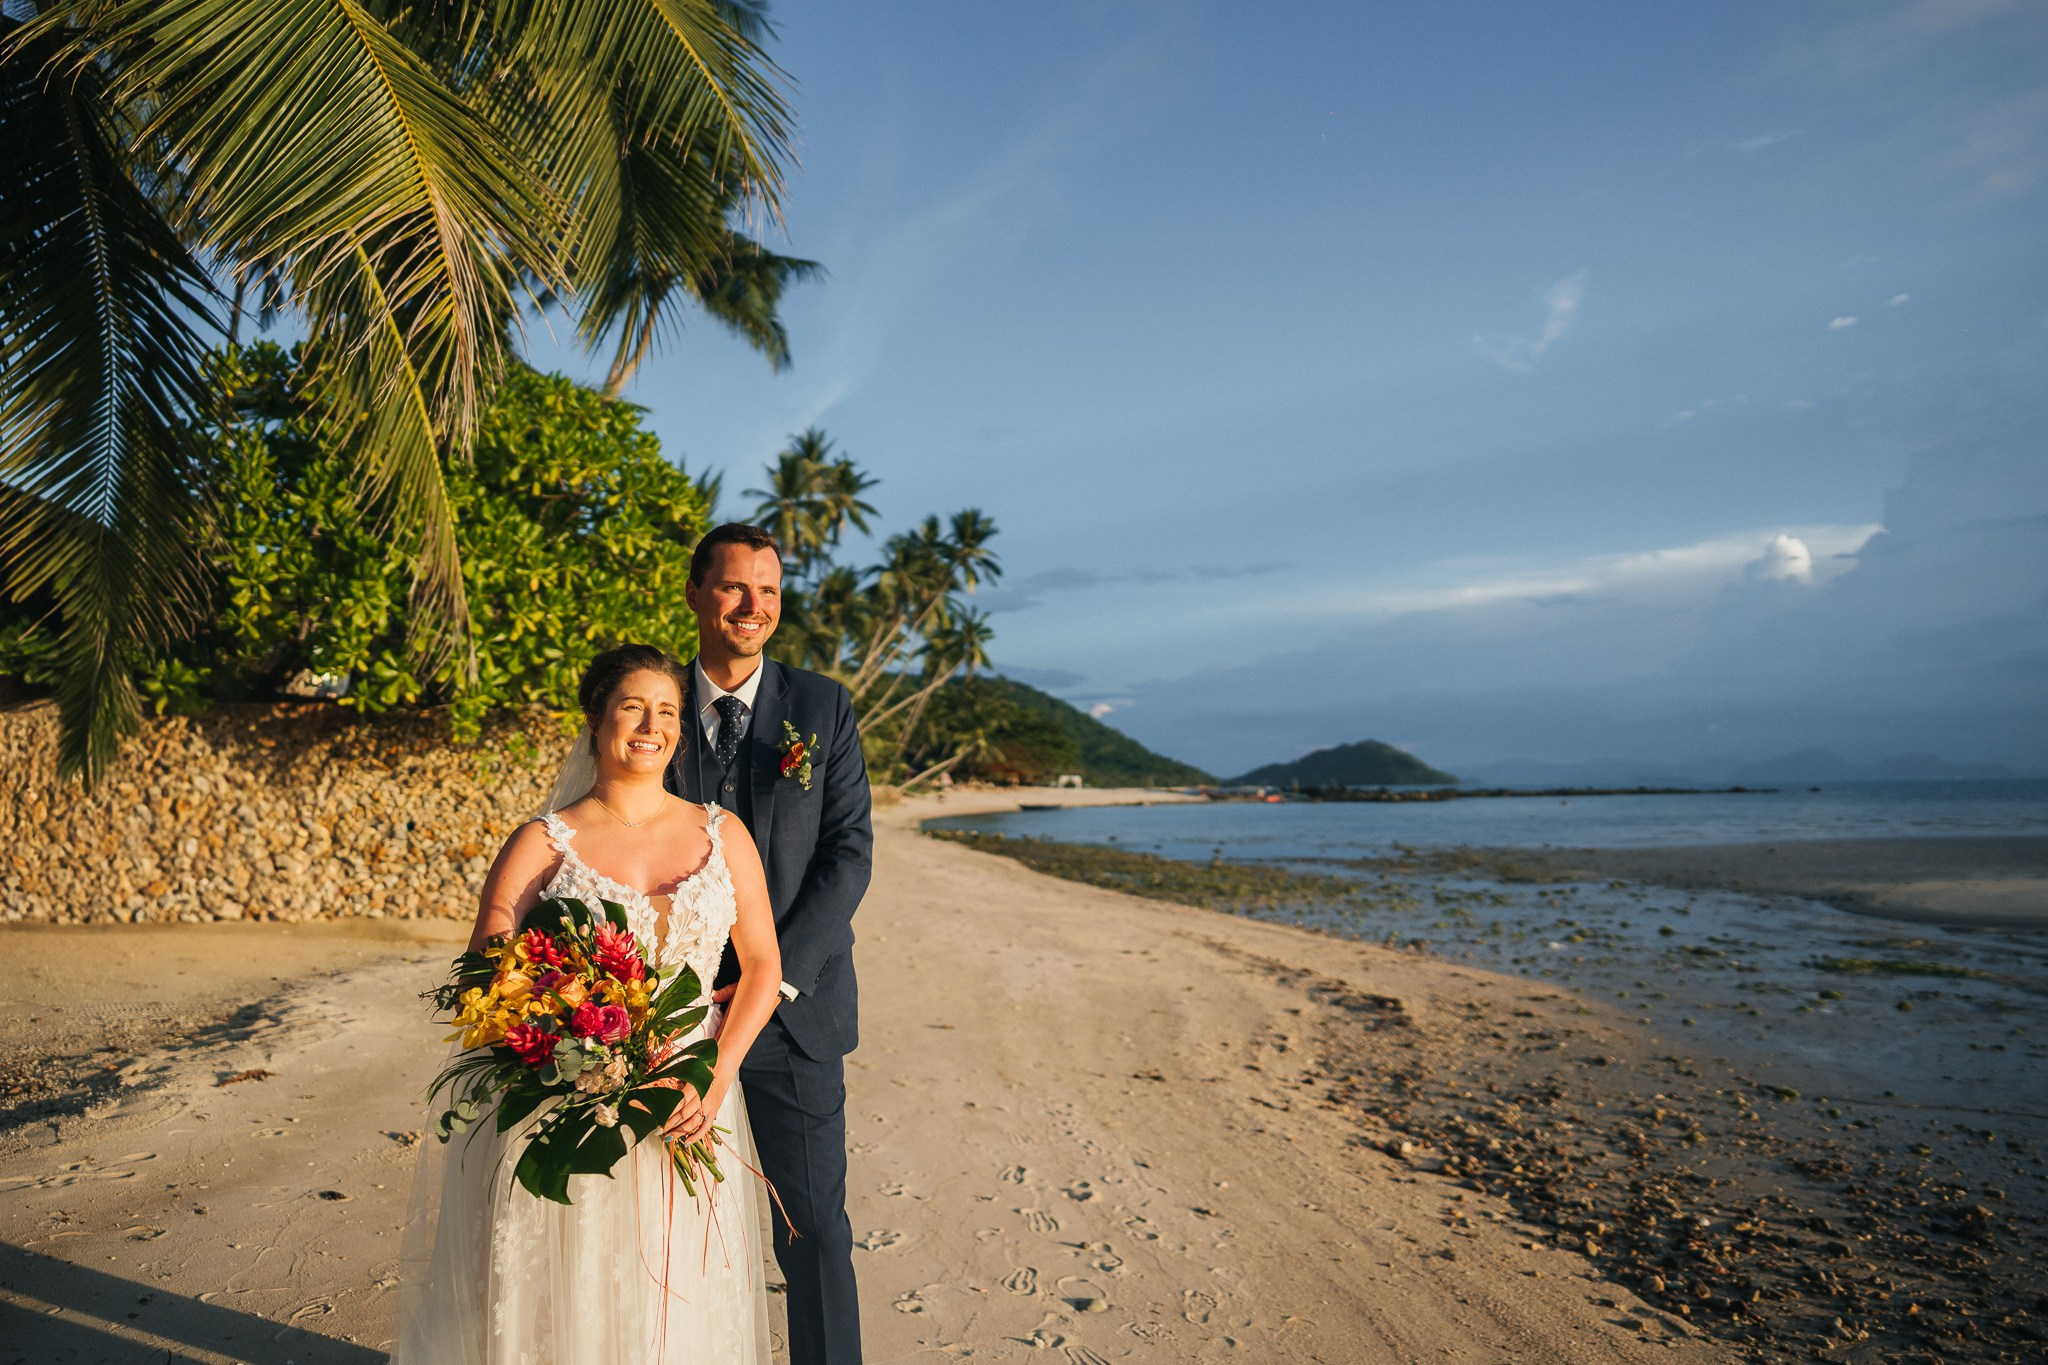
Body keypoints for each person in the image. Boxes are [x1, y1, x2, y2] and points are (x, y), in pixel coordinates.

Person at [391, 644, 785, 1364]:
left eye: (667, 710)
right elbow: (487, 975)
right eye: (633, 705)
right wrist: (579, 1052)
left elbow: (762, 964)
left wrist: (716, 1073)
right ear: (597, 718)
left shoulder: (723, 835)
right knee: (570, 1289)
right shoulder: (542, 842)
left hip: (691, 1093)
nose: (651, 723)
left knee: (681, 1289)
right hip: (572, 1100)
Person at [668, 522, 873, 1365]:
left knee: (815, 1229)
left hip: (794, 1012)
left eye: (769, 592)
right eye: (733, 587)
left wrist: (771, 975)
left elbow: (849, 850)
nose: (753, 606)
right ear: (695, 593)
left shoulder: (821, 706)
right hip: (668, 1014)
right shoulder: (653, 704)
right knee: (671, 1231)